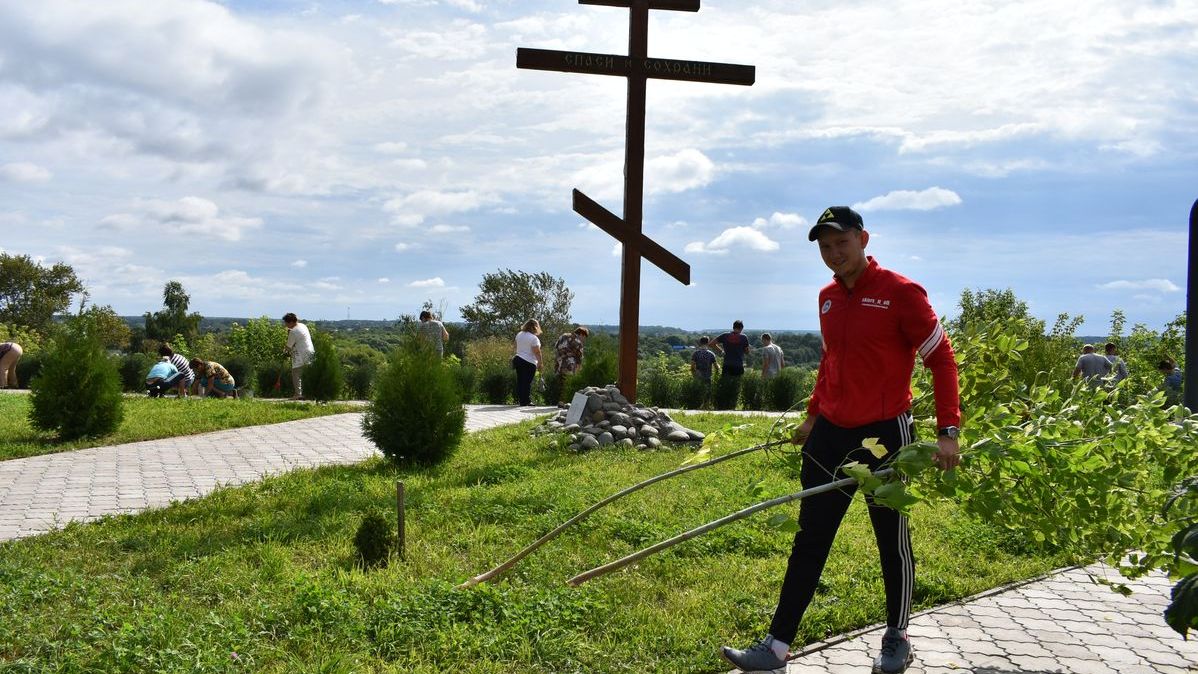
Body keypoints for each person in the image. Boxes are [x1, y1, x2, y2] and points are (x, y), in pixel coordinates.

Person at [722, 206, 961, 674]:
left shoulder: (901, 293)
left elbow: (942, 360)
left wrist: (948, 431)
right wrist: (813, 416)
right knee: (810, 538)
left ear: (863, 239)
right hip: (829, 435)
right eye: (825, 247)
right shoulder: (828, 297)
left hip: (885, 435)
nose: (833, 254)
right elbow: (831, 363)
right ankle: (775, 647)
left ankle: (898, 636)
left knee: (891, 541)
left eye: (841, 243)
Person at [283, 313, 315, 400]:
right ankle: (310, 393)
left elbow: (288, 346)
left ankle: (298, 394)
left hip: (301, 354)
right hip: (310, 352)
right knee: (308, 374)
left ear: (291, 322)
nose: (285, 325)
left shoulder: (293, 331)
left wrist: (284, 352)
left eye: (286, 323)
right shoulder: (303, 326)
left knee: (296, 374)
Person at [513, 319, 542, 406]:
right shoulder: (533, 338)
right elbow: (537, 352)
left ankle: (522, 400)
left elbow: (515, 346)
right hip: (529, 361)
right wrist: (540, 363)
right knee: (527, 382)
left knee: (520, 381)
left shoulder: (519, 334)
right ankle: (526, 401)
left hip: (518, 359)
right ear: (535, 327)